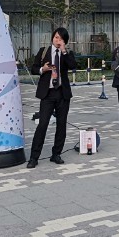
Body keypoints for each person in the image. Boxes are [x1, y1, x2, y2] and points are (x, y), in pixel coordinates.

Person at [27, 28, 77, 168]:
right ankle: (34, 157)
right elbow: (33, 68)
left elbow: (73, 66)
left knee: (61, 125)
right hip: (47, 94)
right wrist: (42, 69)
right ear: (52, 38)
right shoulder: (44, 51)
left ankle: (56, 154)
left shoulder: (67, 54)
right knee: (42, 124)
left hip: (62, 93)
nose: (57, 40)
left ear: (64, 41)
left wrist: (64, 51)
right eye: (55, 37)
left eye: (60, 38)